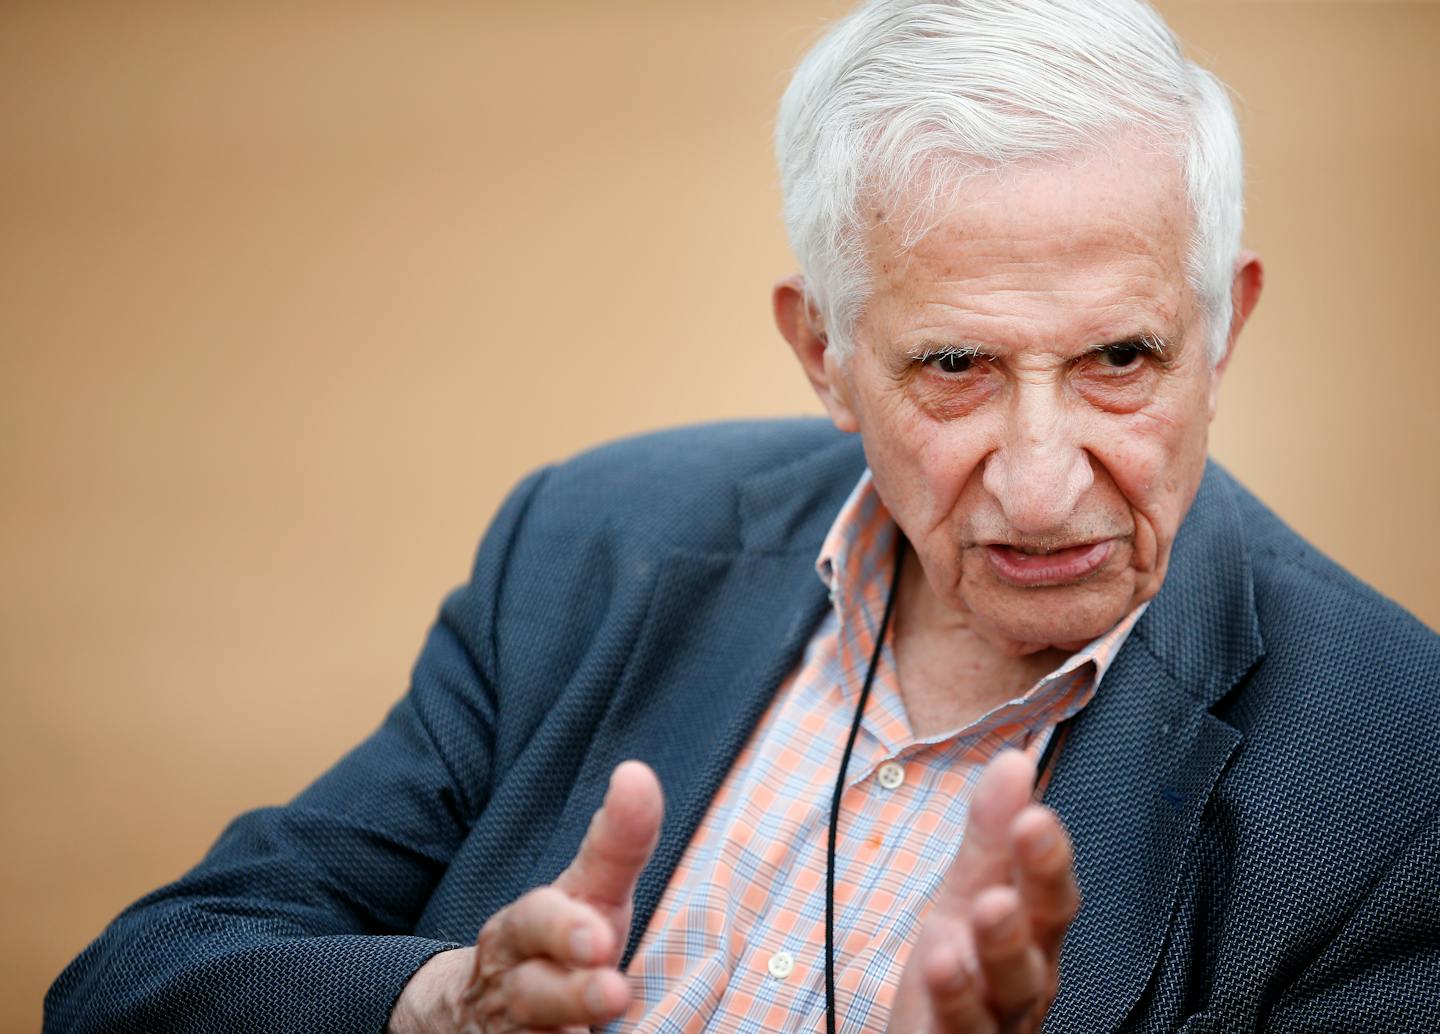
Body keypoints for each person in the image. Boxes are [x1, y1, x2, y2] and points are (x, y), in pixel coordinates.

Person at [46, 0, 1440, 1031]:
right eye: (953, 366)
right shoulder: (592, 543)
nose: (1039, 479)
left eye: (1120, 361)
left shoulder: (1396, 774)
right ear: (823, 352)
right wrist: (436, 1002)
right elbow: (135, 981)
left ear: (1224, 327)